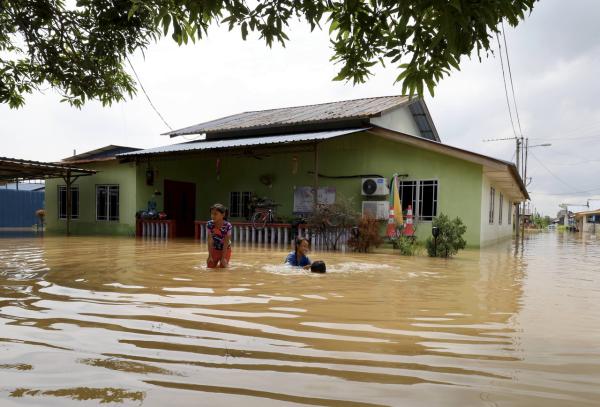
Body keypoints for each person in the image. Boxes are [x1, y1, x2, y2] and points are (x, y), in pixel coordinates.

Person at [206, 203, 232, 268]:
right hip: (215, 249)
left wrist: (223, 258)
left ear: (223, 215)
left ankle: (224, 260)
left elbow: (226, 242)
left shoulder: (227, 225)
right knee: (210, 266)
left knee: (223, 267)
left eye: (215, 214)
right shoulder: (209, 224)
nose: (213, 216)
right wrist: (210, 256)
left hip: (225, 249)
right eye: (212, 214)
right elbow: (210, 241)